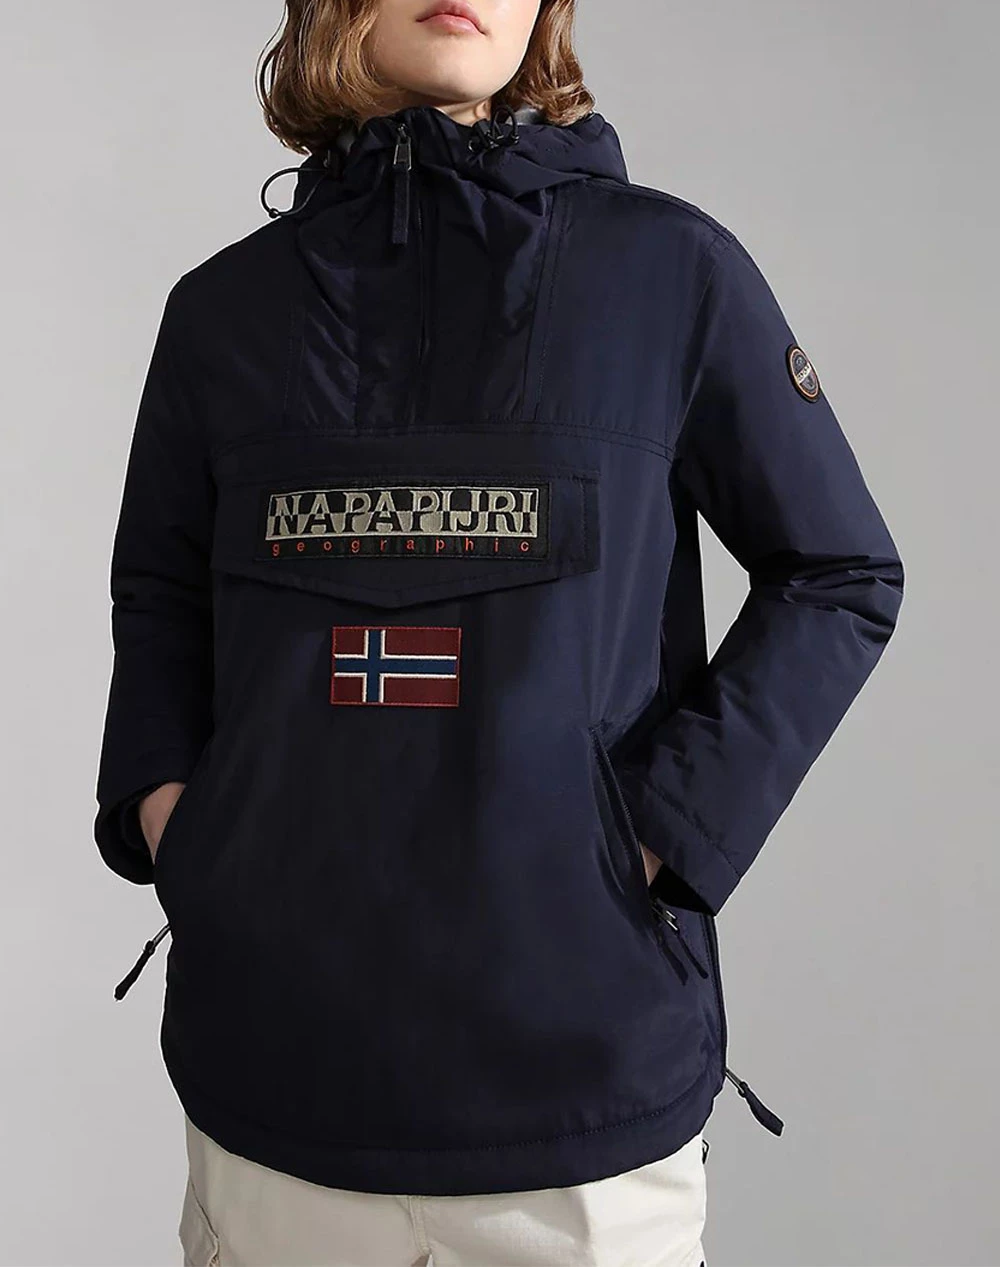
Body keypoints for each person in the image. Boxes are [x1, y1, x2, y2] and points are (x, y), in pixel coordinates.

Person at [94, 0, 904, 1263]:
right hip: (272, 1092)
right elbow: (157, 592)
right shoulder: (221, 313)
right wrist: (182, 834)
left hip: (581, 1111)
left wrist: (652, 844)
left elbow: (839, 569)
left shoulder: (669, 272)